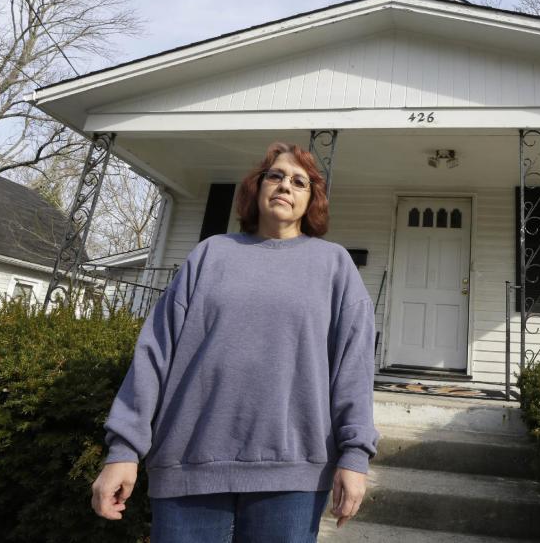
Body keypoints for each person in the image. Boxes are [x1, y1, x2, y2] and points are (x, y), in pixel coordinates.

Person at [90, 141, 380, 541]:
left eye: (299, 182)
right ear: (256, 188)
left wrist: (355, 457)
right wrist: (124, 450)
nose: (285, 186)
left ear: (312, 200)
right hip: (189, 465)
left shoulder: (334, 266)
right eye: (275, 176)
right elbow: (155, 352)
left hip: (292, 473)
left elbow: (354, 367)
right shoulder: (211, 254)